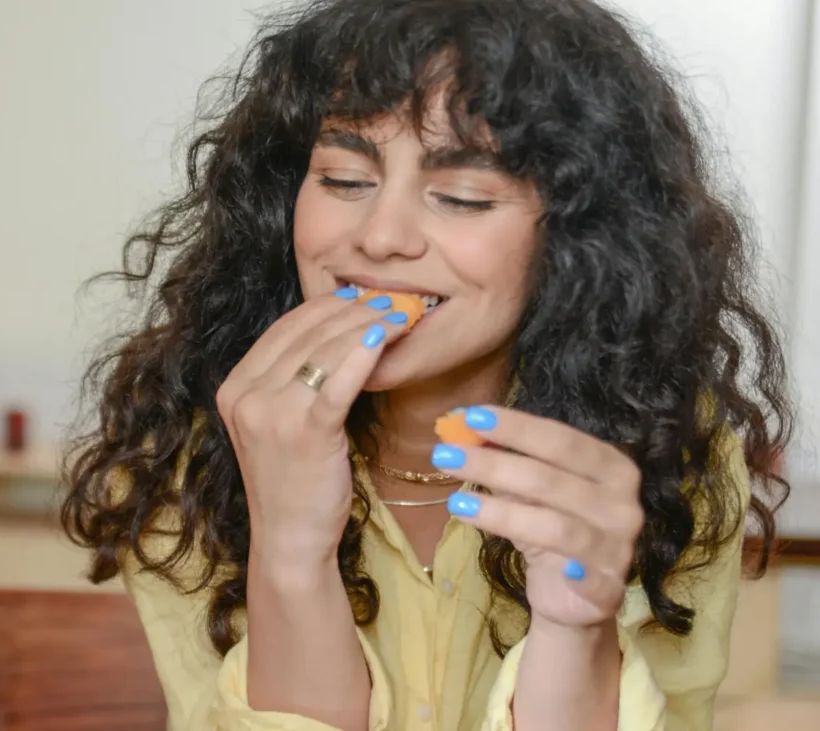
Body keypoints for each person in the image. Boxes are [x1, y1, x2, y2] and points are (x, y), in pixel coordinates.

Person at [61, 0, 794, 729]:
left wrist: (577, 631)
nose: (380, 238)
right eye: (344, 180)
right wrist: (289, 555)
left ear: (578, 239)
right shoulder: (187, 458)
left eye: (462, 196)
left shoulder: (668, 455)